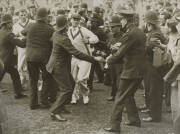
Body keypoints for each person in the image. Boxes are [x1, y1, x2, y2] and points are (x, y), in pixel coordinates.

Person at [47, 15, 103, 121]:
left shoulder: (56, 34)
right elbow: (76, 53)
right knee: (67, 89)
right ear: (65, 26)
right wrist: (94, 59)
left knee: (71, 84)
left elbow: (51, 41)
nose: (69, 25)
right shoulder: (63, 38)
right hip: (58, 66)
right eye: (67, 23)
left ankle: (61, 107)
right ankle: (54, 111)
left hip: (57, 64)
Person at [104, 9, 147, 133]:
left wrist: (108, 60)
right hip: (139, 70)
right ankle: (134, 120)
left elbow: (119, 55)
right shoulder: (138, 31)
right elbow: (129, 48)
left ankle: (114, 125)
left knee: (120, 97)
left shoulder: (130, 33)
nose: (120, 22)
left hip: (131, 70)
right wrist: (117, 49)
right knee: (128, 96)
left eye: (121, 19)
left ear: (125, 20)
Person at [22, 8, 56, 110]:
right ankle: (44, 102)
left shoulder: (30, 26)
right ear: (46, 17)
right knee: (47, 78)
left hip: (30, 57)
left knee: (33, 80)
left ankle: (33, 104)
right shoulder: (50, 29)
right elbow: (53, 41)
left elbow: (23, 32)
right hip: (44, 58)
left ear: (37, 16)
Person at [67, 14, 99, 104]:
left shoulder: (83, 30)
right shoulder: (68, 30)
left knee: (81, 78)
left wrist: (89, 41)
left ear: (80, 21)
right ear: (71, 20)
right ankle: (74, 96)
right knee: (73, 79)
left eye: (77, 19)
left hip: (85, 57)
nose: (76, 21)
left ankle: (85, 95)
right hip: (73, 57)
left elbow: (96, 38)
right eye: (74, 19)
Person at [142, 11, 167, 122]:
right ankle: (151, 111)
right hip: (152, 66)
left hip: (155, 66)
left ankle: (155, 116)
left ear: (149, 23)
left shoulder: (155, 34)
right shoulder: (154, 32)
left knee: (155, 90)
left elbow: (149, 48)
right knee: (151, 89)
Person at [0, 14, 27, 99]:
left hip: (2, 58)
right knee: (14, 75)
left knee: (15, 75)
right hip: (7, 60)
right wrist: (27, 36)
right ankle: (18, 93)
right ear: (7, 24)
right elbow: (22, 44)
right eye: (11, 22)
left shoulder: (1, 31)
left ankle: (18, 93)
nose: (12, 24)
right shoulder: (9, 34)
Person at [13, 8, 34, 89]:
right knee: (20, 66)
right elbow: (15, 37)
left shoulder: (32, 22)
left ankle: (35, 82)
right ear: (19, 16)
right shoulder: (16, 25)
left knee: (32, 64)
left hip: (30, 46)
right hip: (21, 47)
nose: (23, 16)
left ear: (27, 14)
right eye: (21, 15)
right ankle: (23, 81)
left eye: (24, 14)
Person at [106, 15, 123, 101]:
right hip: (112, 60)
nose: (111, 28)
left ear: (119, 27)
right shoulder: (110, 35)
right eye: (110, 27)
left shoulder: (123, 36)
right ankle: (113, 94)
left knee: (119, 80)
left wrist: (118, 48)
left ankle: (119, 96)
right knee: (113, 78)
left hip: (120, 62)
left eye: (113, 27)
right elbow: (108, 45)